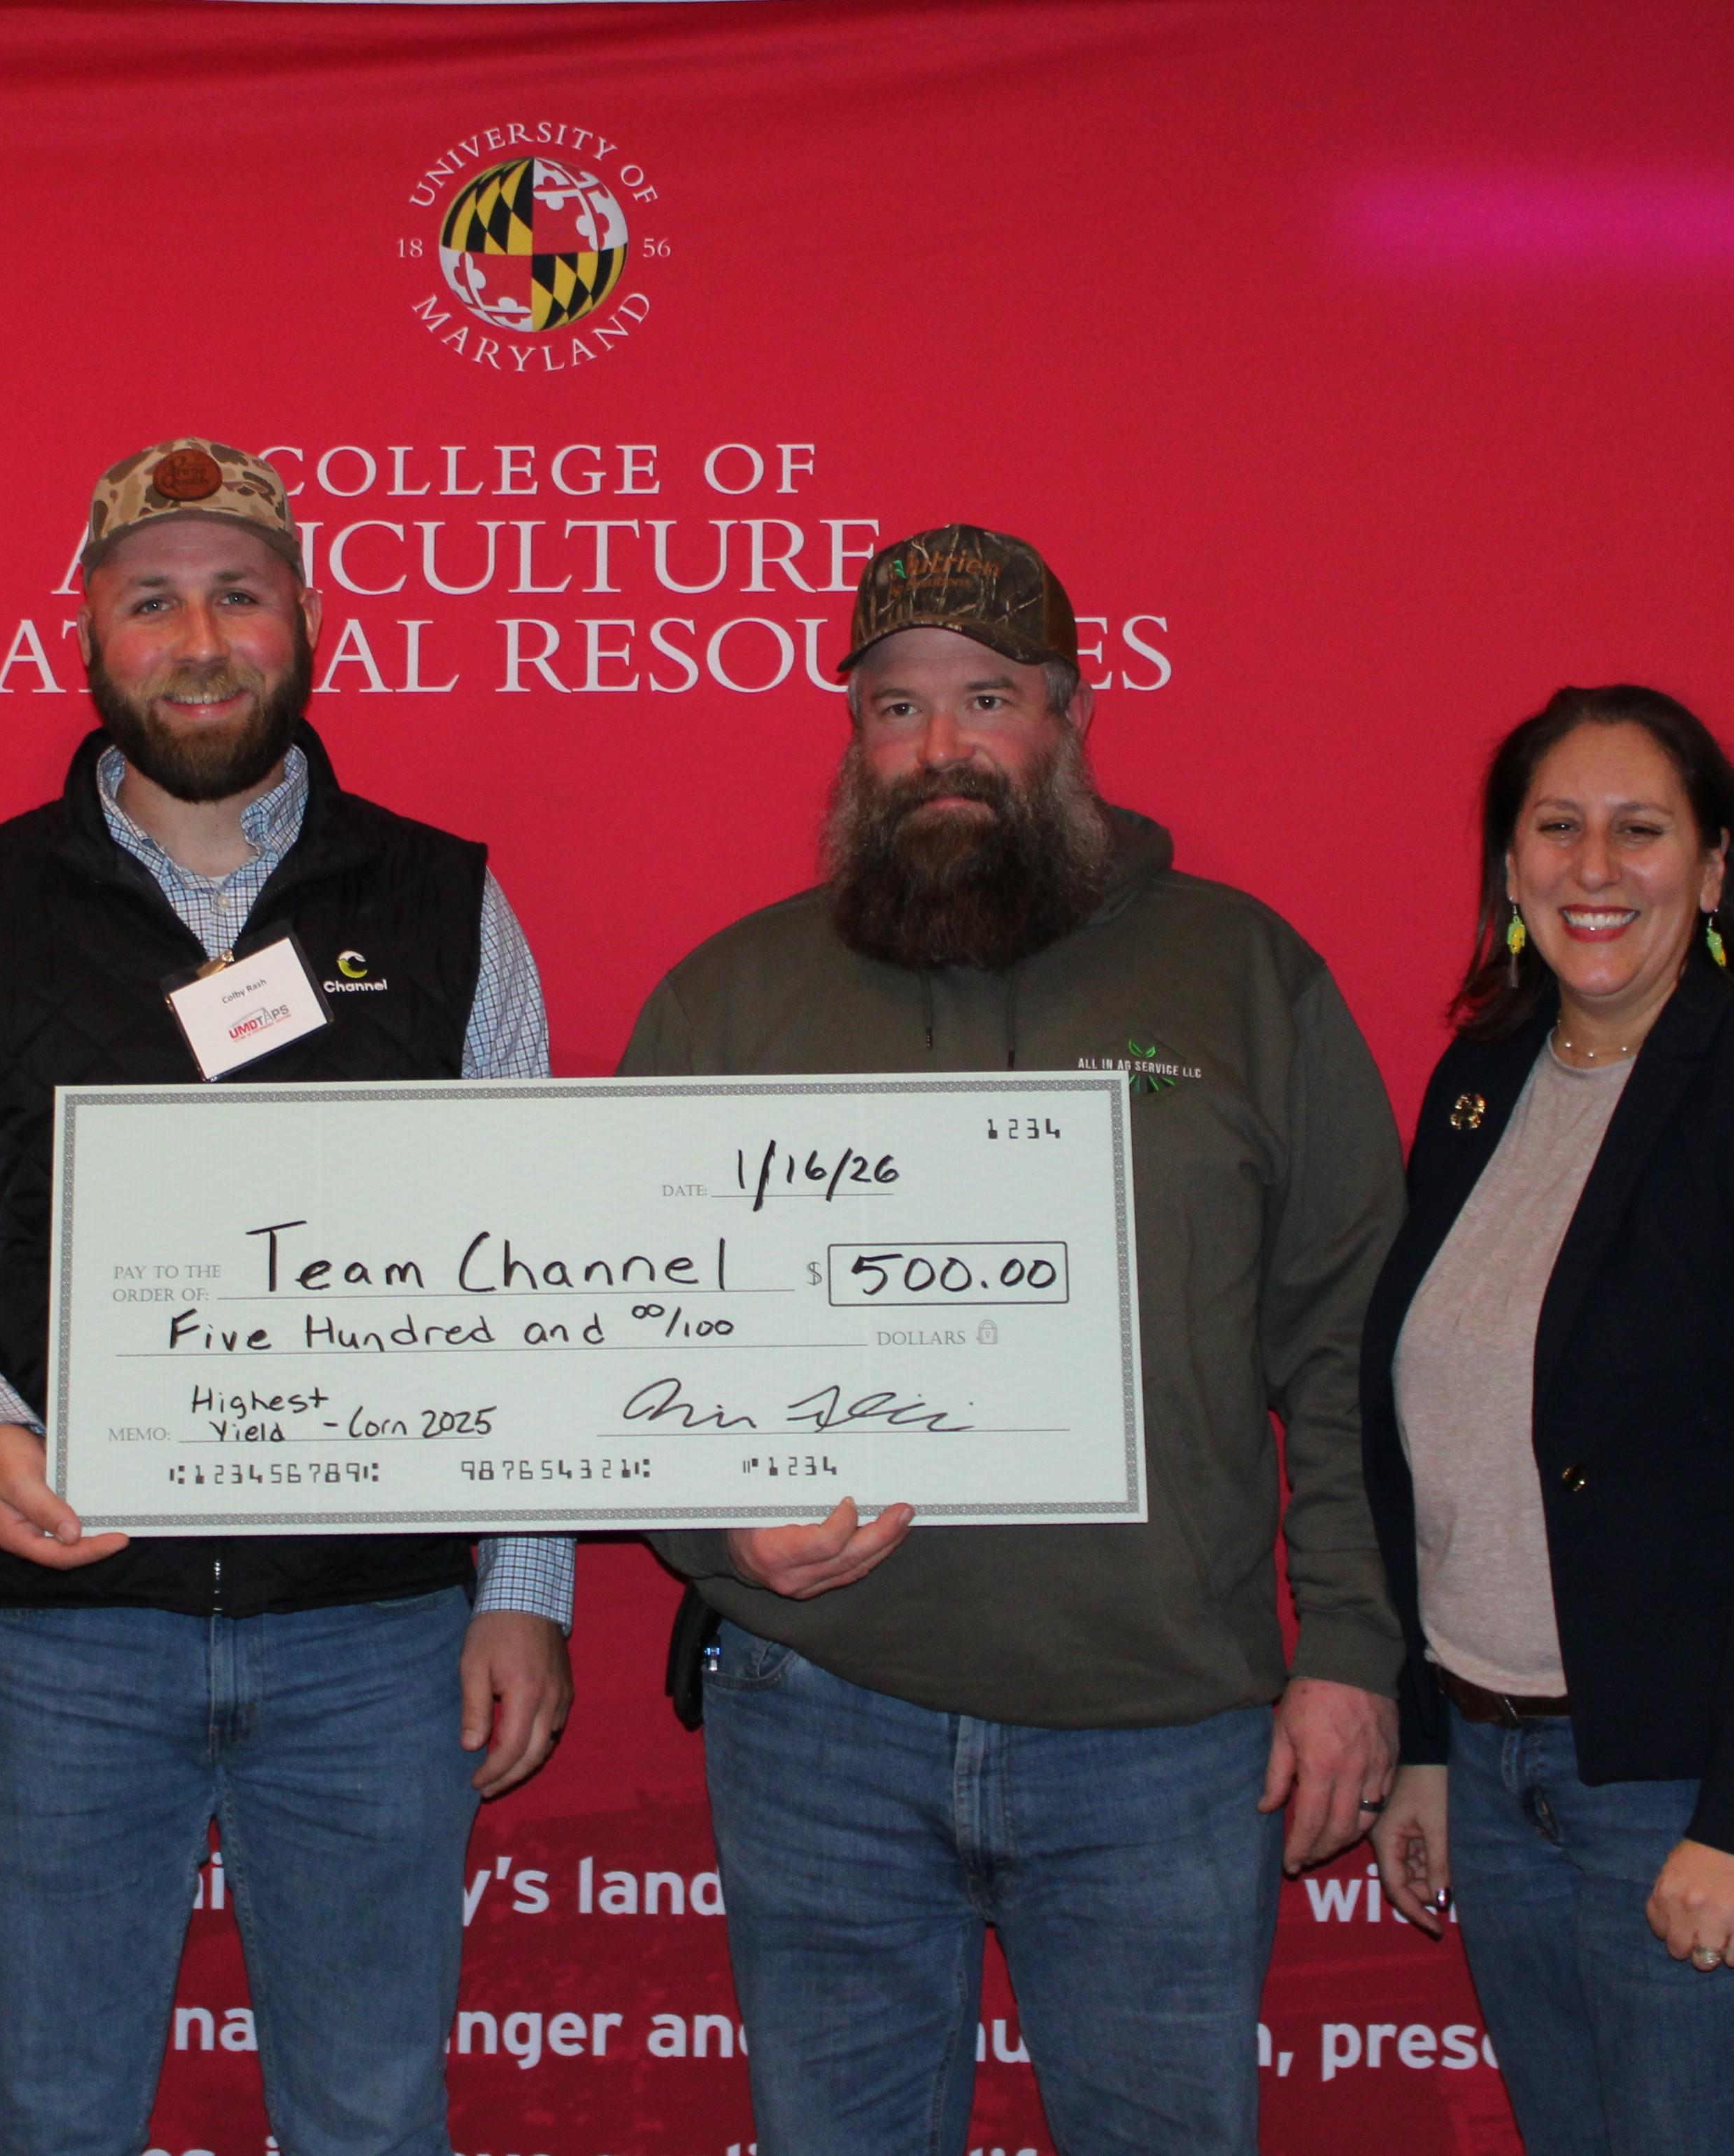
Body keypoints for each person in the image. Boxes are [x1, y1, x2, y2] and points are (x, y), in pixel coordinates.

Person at [0, 437, 575, 2156]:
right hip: (63, 1635)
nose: (199, 634)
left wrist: (522, 1584)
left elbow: (534, 1262)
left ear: (303, 621)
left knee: (374, 2116)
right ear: (85, 634)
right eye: (151, 598)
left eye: (237, 592)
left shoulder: (445, 902)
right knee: (54, 2110)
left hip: (377, 1634)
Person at [617, 523, 1407, 2155]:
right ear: (851, 738)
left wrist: (1345, 1647)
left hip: (1162, 1738)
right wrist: (713, 1534)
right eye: (893, 710)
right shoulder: (726, 1000)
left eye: (985, 699)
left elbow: (1342, 1342)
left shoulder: (1243, 976)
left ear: (1072, 712)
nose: (938, 750)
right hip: (821, 1710)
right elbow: (620, 1335)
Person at [1361, 685, 1734, 2155]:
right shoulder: (1476, 1086)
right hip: (1500, 1767)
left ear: (1710, 870)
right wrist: (1424, 1740)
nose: (1594, 868)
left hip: (1693, 1788)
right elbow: (1431, 1434)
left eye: (1638, 830)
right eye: (1555, 828)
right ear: (1508, 871)